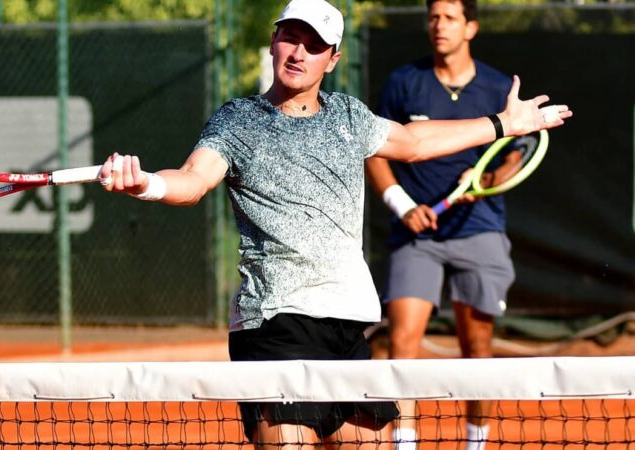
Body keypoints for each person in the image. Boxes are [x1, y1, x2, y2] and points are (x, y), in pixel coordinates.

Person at [99, 0, 570, 447]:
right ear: (273, 42)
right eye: (290, 36)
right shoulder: (237, 121)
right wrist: (147, 185)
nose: (299, 51)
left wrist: (503, 124)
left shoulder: (349, 116)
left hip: (348, 330)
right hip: (274, 327)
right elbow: (192, 179)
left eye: (314, 44)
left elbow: (414, 142)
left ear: (333, 58)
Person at [365, 1, 532, 450]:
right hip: (417, 236)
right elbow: (375, 152)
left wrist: (488, 180)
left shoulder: (498, 87)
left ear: (471, 27)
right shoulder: (404, 82)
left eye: (450, 17)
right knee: (402, 344)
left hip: (480, 230)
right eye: (434, 17)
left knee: (477, 349)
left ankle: (476, 442)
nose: (439, 25)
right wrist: (402, 205)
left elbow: (516, 152)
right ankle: (404, 443)